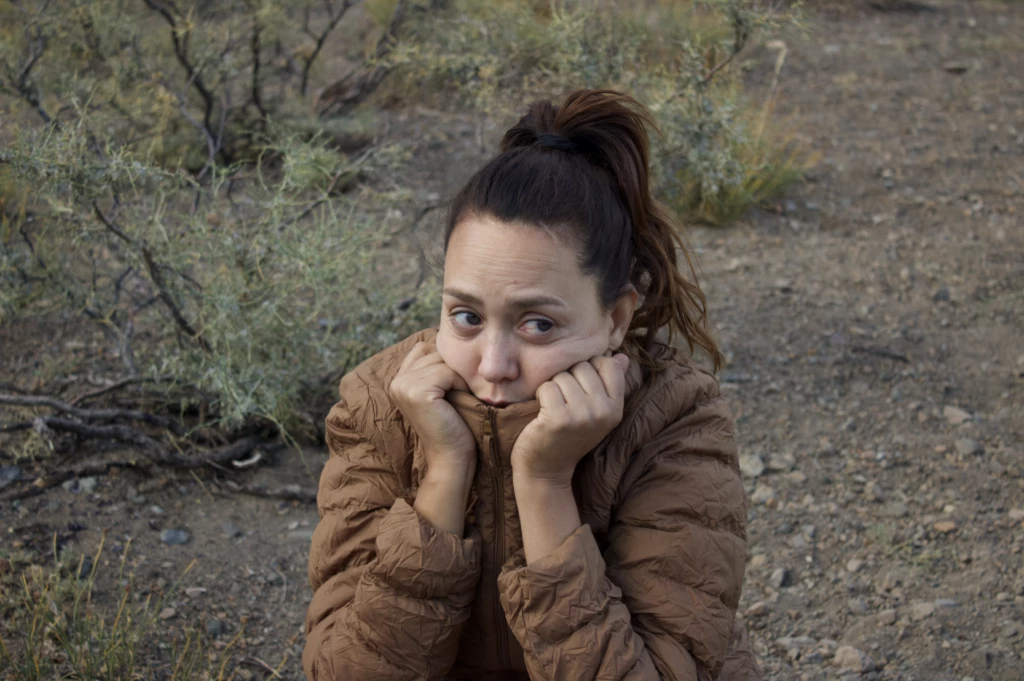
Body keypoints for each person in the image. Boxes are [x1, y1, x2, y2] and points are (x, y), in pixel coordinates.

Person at [303, 89, 761, 681]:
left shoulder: (674, 421)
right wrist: (443, 472)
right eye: (465, 316)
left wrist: (545, 483)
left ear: (616, 318)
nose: (494, 365)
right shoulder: (379, 404)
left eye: (538, 324)